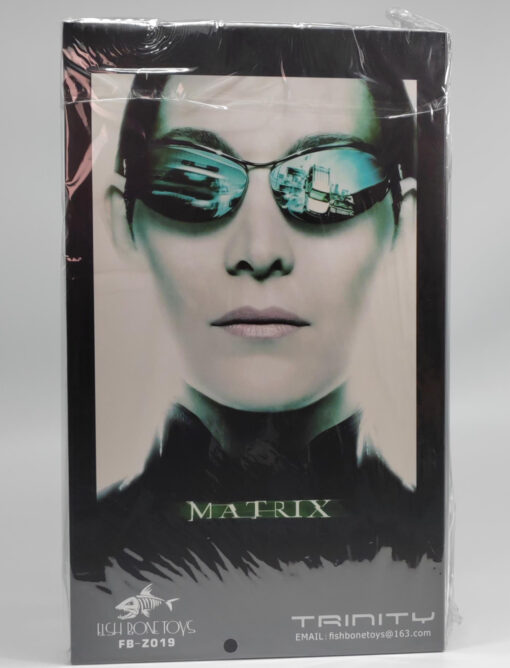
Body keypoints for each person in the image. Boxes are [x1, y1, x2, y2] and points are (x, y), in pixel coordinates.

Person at [77, 73, 439, 584]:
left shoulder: (420, 564)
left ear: (404, 222)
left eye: (328, 183)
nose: (261, 252)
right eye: (194, 181)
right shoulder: (96, 569)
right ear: (124, 222)